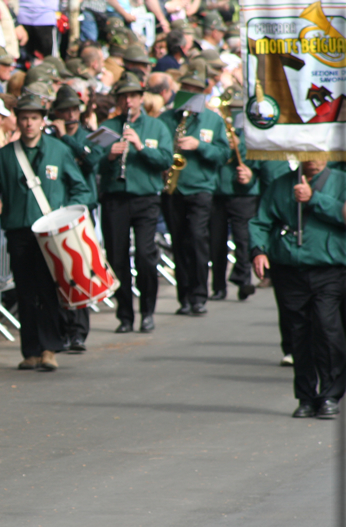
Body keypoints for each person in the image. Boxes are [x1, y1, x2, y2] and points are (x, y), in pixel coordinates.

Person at [0, 88, 92, 370]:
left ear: (43, 120)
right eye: (24, 118)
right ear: (16, 121)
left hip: (52, 235)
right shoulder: (5, 157)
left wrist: (69, 216)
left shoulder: (59, 150)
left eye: (34, 118)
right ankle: (30, 351)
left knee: (49, 291)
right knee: (26, 293)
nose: (29, 123)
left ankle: (50, 349)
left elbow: (82, 189)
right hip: (19, 233)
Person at [250, 160, 346, 419]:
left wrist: (315, 199)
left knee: (327, 330)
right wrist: (258, 251)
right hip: (289, 270)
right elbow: (261, 221)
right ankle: (305, 396)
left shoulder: (340, 180)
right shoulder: (281, 184)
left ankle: (329, 394)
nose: (312, 159)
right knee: (299, 334)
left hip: (329, 269)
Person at [96, 72, 173, 334]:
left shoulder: (156, 127)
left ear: (141, 98)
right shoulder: (108, 126)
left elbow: (165, 160)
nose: (128, 101)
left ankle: (147, 312)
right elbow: (91, 161)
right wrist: (108, 156)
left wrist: (141, 147)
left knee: (144, 256)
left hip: (145, 198)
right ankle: (125, 316)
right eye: (123, 96)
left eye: (133, 96)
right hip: (115, 198)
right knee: (117, 259)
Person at [158, 62, 228, 316]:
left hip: (201, 188)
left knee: (198, 240)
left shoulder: (212, 120)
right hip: (173, 190)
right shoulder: (166, 118)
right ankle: (184, 297)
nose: (190, 92)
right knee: (179, 243)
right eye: (186, 88)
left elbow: (223, 154)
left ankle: (199, 295)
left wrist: (199, 146)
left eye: (195, 89)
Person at [51, 84, 101, 351]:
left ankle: (79, 331)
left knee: (79, 269)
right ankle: (60, 331)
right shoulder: (50, 138)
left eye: (73, 109)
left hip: (81, 211)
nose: (69, 114)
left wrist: (67, 138)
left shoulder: (87, 136)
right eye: (64, 110)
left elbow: (93, 161)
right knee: (57, 272)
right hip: (55, 211)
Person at [208, 84, 259, 302]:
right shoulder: (218, 128)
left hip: (243, 195)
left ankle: (244, 280)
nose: (234, 113)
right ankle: (218, 286)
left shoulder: (253, 132)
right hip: (219, 192)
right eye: (230, 108)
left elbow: (259, 166)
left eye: (238, 108)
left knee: (243, 239)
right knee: (216, 241)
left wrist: (249, 174)